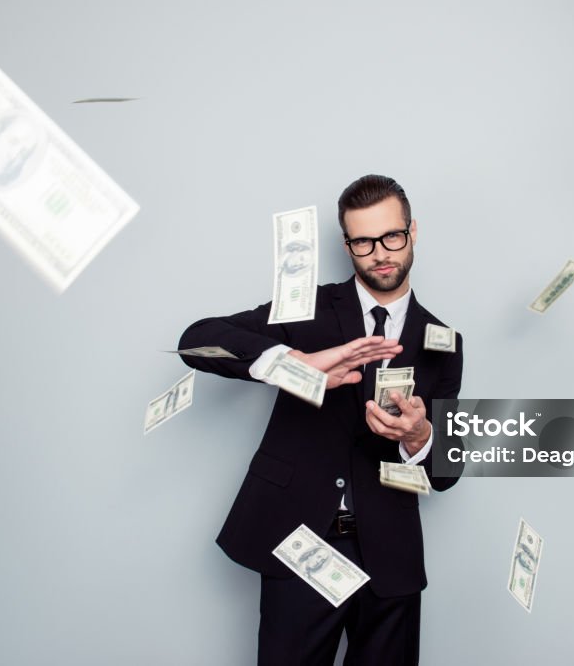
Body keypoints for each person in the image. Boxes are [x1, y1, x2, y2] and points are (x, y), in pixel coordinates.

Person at [178, 174, 464, 665]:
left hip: (390, 557)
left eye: (392, 236)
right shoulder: (307, 308)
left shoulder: (444, 340)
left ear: (413, 231)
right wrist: (293, 363)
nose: (380, 253)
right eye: (363, 242)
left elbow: (446, 473)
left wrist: (420, 436)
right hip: (299, 545)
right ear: (347, 244)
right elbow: (196, 341)